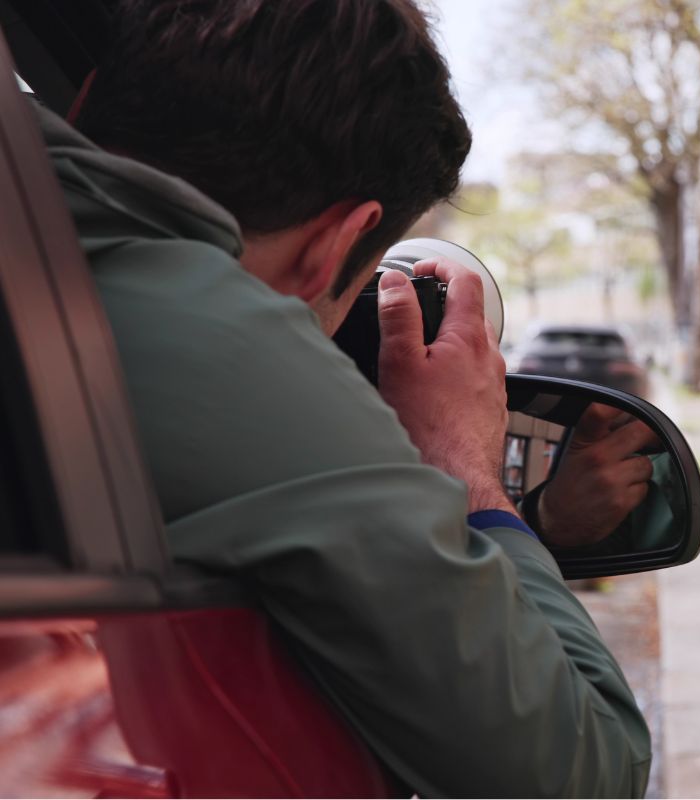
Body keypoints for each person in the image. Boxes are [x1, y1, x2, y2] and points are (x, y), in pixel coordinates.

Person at [49, 0, 650, 795]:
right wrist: (465, 471)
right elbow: (585, 768)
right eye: (361, 286)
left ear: (85, 99)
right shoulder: (243, 363)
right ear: (339, 240)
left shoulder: (44, 259)